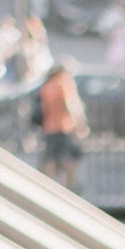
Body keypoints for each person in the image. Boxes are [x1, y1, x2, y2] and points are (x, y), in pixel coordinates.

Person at [36, 53, 88, 189]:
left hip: (49, 127)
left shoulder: (47, 86)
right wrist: (80, 125)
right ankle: (69, 188)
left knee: (50, 159)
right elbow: (70, 104)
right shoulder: (64, 83)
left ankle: (50, 187)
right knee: (69, 158)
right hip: (65, 126)